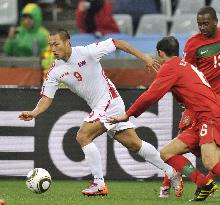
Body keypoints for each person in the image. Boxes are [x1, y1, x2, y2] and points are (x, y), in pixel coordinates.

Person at [18, 29, 182, 197]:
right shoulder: (54, 71)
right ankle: (172, 172)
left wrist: (144, 57)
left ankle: (99, 183)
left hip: (109, 101)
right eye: (50, 45)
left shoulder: (87, 52)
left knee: (83, 135)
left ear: (67, 43)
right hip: (103, 105)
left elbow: (118, 43)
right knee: (134, 144)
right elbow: (47, 97)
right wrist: (35, 112)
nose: (53, 49)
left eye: (56, 44)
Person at [108, 36, 220, 203]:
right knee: (166, 153)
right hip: (204, 118)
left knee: (210, 162)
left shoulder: (170, 68)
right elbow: (214, 96)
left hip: (210, 119)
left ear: (160, 53)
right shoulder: (188, 67)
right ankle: (204, 184)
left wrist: (127, 114)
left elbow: (151, 94)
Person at [159, 6, 220, 198]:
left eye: (206, 23)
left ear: (215, 22)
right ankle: (168, 180)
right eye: (199, 24)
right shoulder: (193, 44)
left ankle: (207, 182)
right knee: (182, 138)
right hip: (200, 99)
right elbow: (185, 73)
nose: (202, 27)